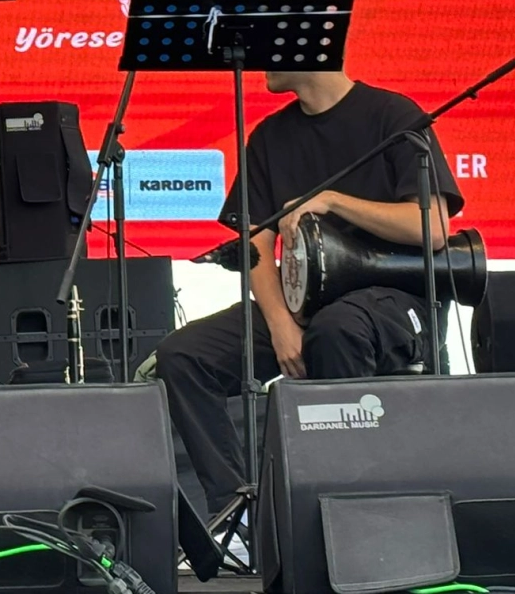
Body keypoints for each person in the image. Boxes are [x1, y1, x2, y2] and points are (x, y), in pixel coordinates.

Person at [154, 71, 463, 519]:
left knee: (336, 330)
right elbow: (256, 245)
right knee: (184, 357)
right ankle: (238, 510)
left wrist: (333, 200)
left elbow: (432, 228)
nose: (259, 63)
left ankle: (343, 509)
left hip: (393, 301)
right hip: (302, 305)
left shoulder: (393, 115)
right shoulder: (270, 137)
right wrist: (280, 324)